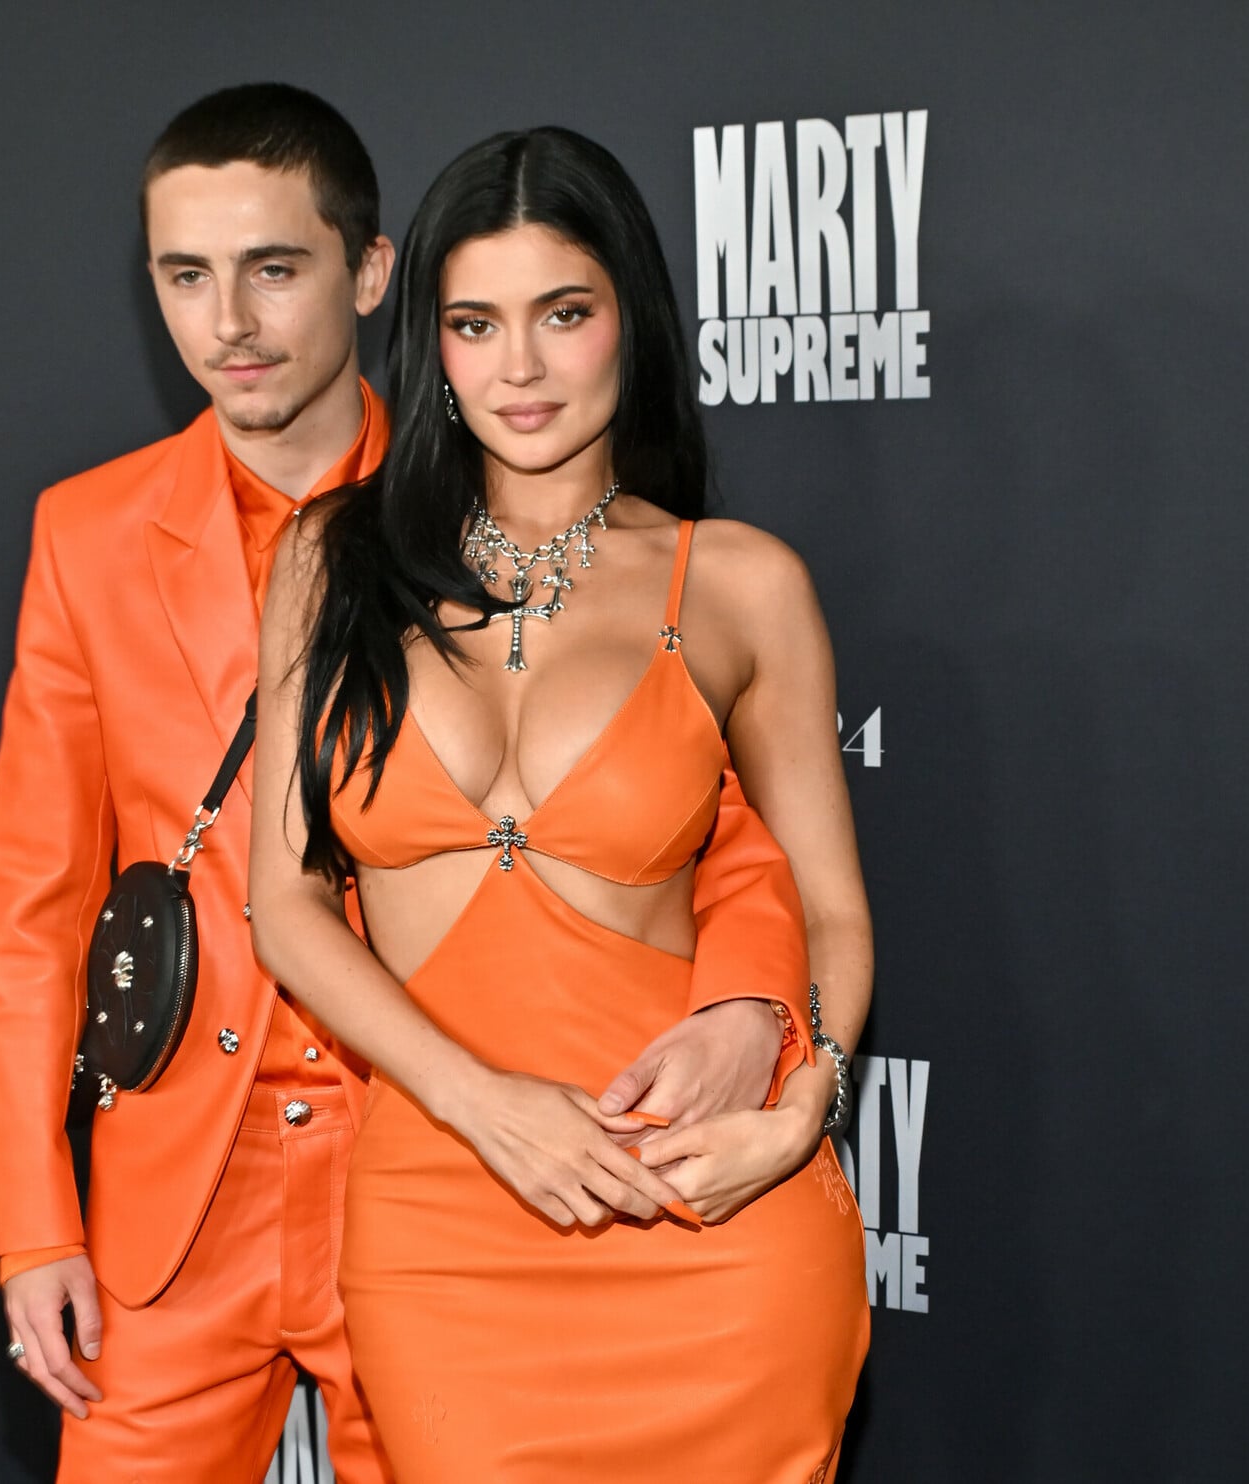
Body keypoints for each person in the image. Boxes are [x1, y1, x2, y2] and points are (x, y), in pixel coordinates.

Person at [0, 88, 827, 1481]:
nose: (231, 322)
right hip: (185, 1191)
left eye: (273, 267)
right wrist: (33, 1222)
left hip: (439, 1156)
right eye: (186, 275)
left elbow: (716, 832)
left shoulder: (514, 498)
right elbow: (36, 899)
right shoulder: (87, 535)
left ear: (373, 278)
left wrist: (752, 1007)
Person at [250, 126, 872, 1481]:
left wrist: (801, 1106)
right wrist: (483, 1104)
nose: (519, 367)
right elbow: (286, 905)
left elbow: (826, 904)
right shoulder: (330, 560)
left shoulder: (741, 583)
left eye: (564, 314)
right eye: (475, 323)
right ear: (432, 343)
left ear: (630, 320)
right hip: (447, 1219)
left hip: (708, 1216)